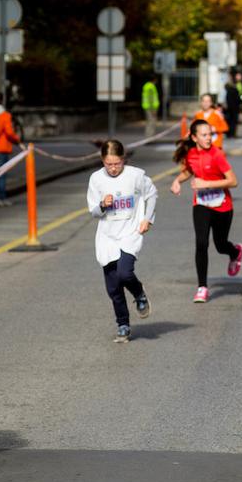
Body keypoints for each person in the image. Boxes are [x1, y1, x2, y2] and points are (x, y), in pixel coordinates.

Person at [86, 140, 157, 342]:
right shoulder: (96, 179)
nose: (114, 168)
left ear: (123, 159)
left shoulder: (135, 175)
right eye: (109, 164)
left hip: (130, 232)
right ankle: (123, 324)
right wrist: (102, 204)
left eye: (117, 163)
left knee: (125, 273)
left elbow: (152, 194)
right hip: (107, 235)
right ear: (102, 161)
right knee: (113, 286)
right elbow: (93, 211)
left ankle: (139, 293)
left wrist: (147, 219)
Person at [171, 120, 242, 303]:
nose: (209, 138)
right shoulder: (191, 154)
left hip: (222, 205)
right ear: (194, 138)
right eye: (204, 135)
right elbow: (189, 171)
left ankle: (235, 252)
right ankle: (202, 287)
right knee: (201, 243)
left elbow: (233, 181)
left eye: (210, 134)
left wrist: (207, 184)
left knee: (220, 245)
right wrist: (177, 181)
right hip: (202, 204)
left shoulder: (217, 154)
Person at [224, 72, 242, 138]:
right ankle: (232, 134)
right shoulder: (235, 90)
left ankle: (229, 134)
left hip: (228, 109)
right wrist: (241, 102)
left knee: (229, 121)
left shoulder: (228, 91)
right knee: (233, 122)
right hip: (234, 109)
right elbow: (238, 99)